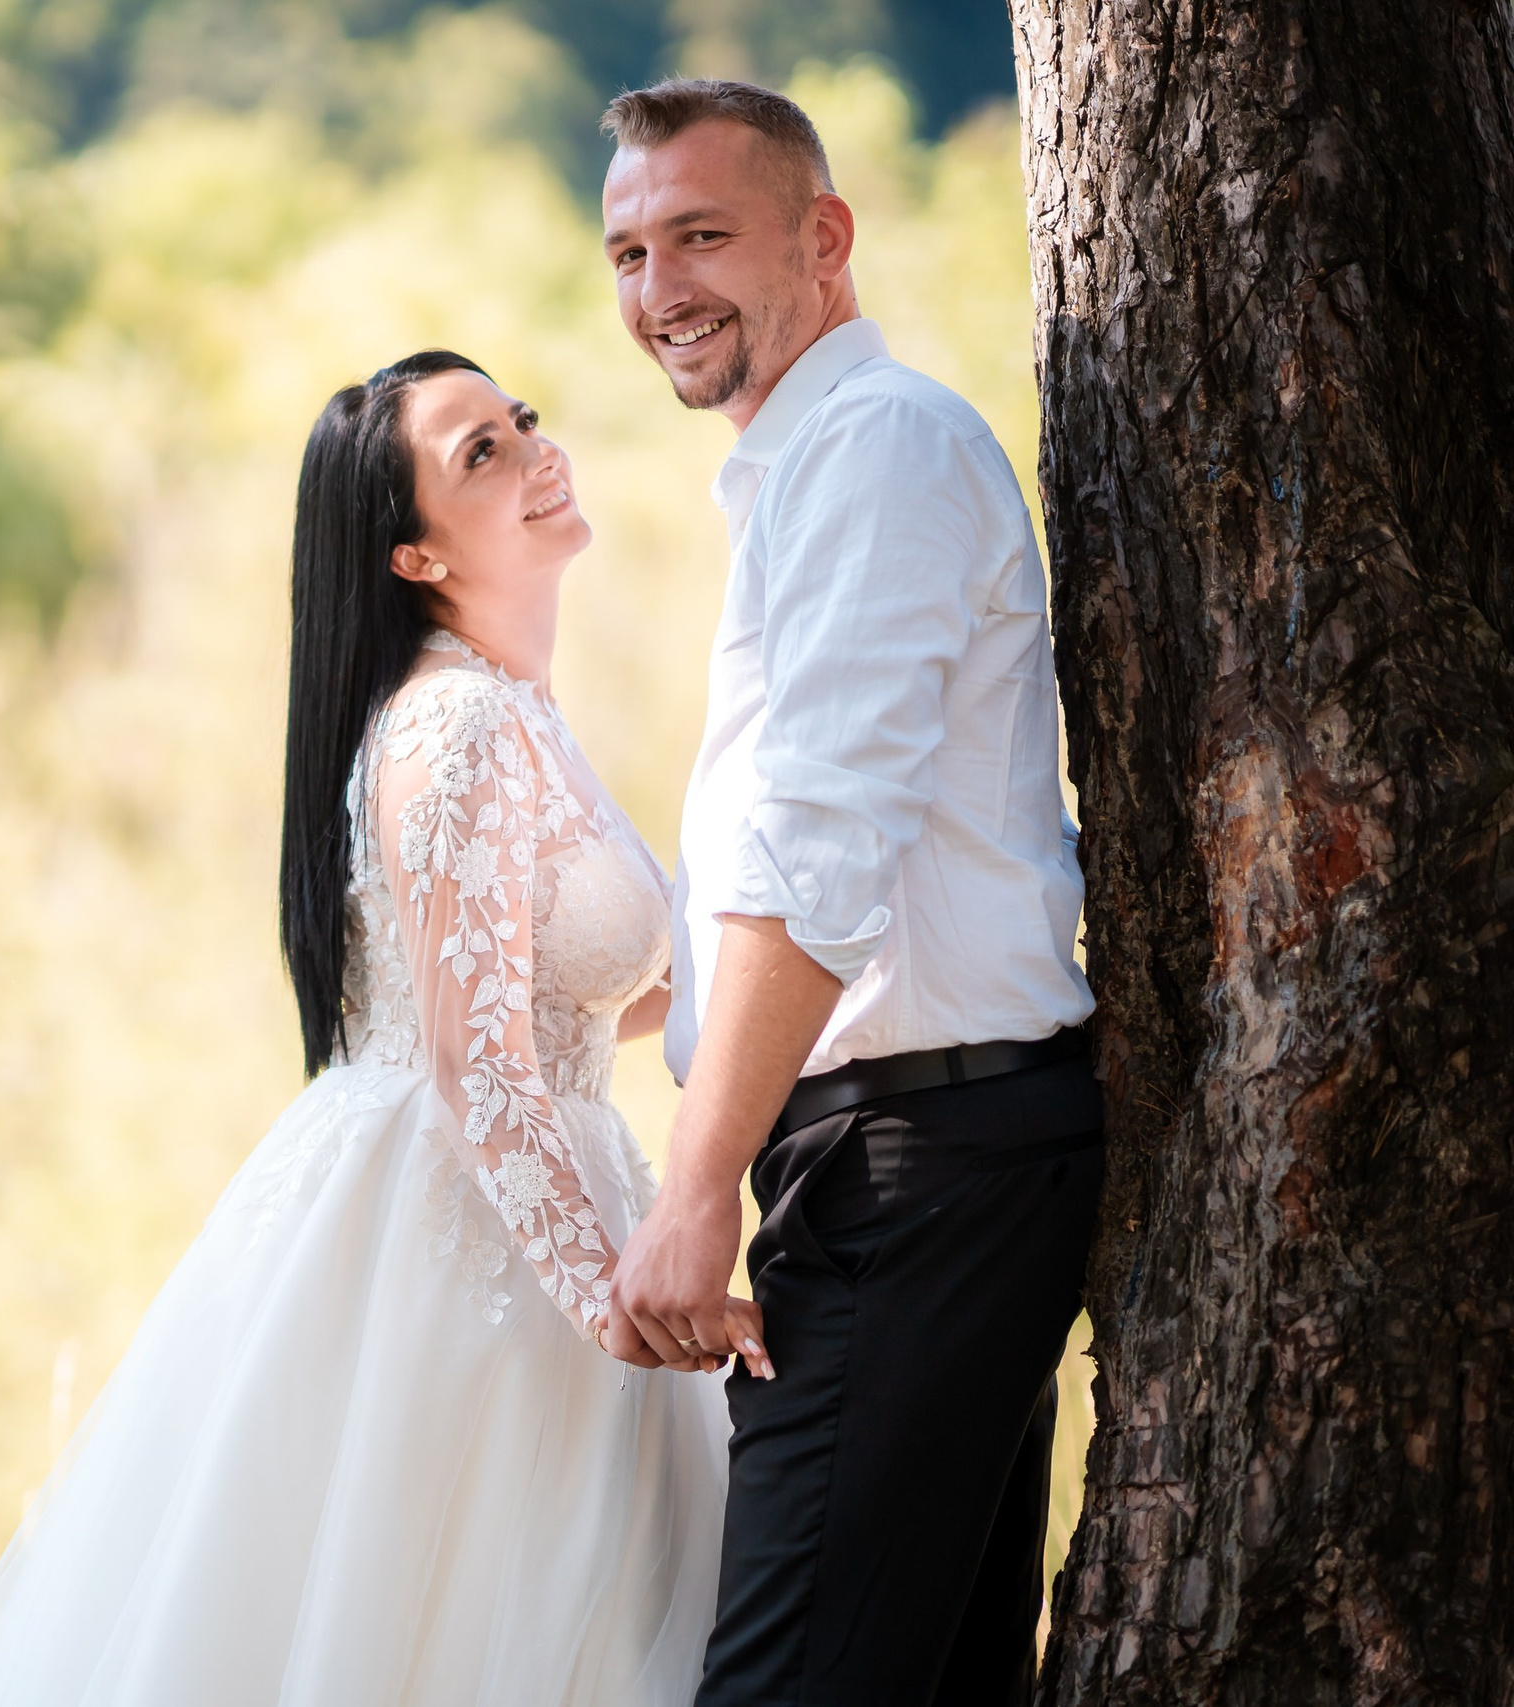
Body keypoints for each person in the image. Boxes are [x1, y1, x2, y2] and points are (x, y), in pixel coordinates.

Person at [0, 350, 735, 1705]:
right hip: (463, 1234)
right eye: (482, 452)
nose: (536, 449)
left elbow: (570, 1002)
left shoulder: (519, 713)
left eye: (520, 419)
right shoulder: (455, 724)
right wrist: (620, 1303)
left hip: (551, 1179)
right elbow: (477, 1069)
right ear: (412, 555)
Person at [592, 80, 1104, 1707]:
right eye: (627, 251)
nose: (659, 289)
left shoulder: (874, 452)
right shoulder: (807, 473)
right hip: (917, 1158)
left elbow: (818, 863)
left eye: (702, 236)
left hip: (914, 1172)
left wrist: (693, 1191)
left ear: (824, 238)